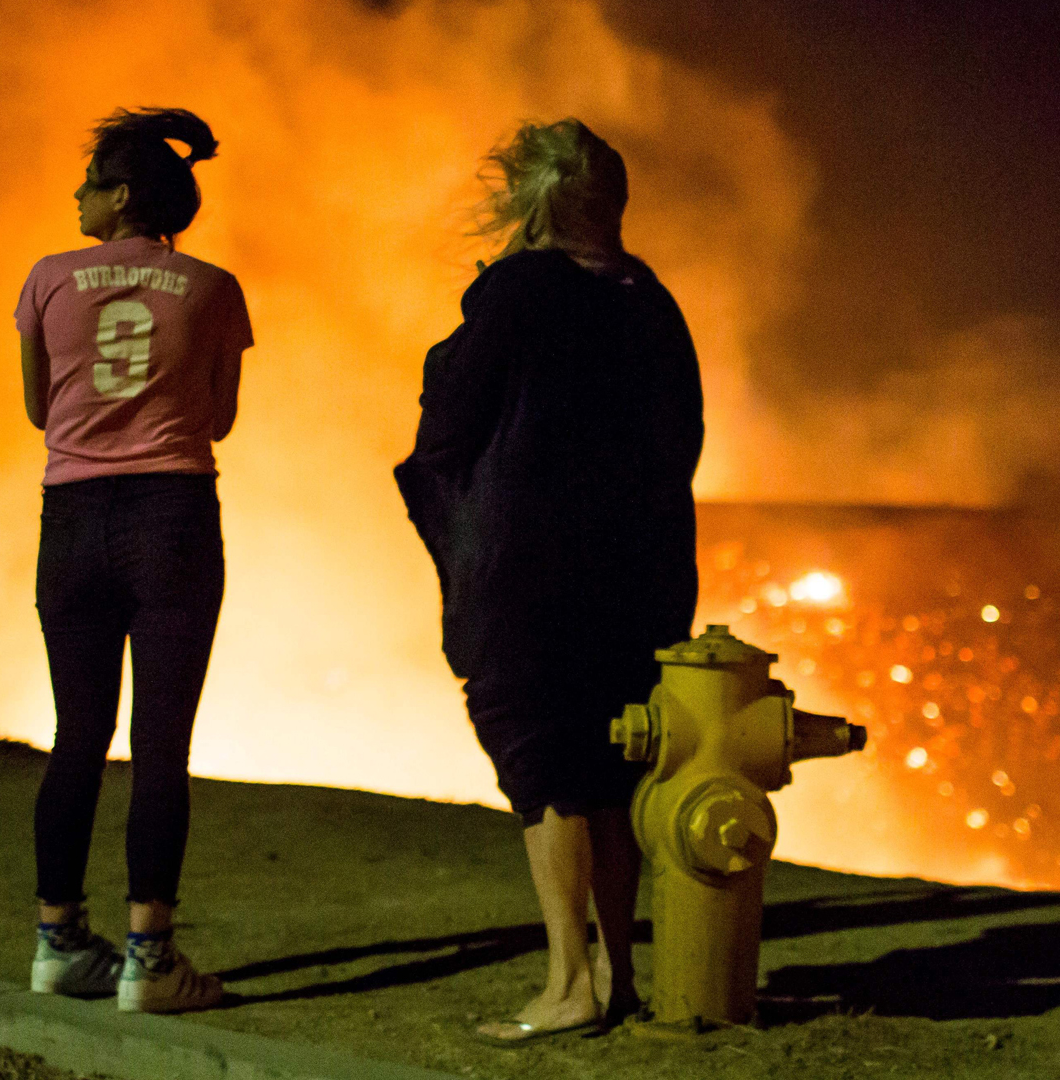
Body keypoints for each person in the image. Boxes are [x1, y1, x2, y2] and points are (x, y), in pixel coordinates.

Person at [396, 119, 703, 1043]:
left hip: (526, 576)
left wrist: (459, 543)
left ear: (528, 203)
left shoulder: (519, 291)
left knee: (548, 773)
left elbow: (445, 429)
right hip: (642, 570)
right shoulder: (653, 300)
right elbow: (682, 439)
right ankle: (615, 973)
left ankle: (570, 983)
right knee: (611, 766)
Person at [15, 107, 253, 1014]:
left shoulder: (45, 278)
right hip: (173, 517)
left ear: (121, 194)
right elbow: (221, 415)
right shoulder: (213, 285)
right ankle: (151, 961)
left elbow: (40, 409)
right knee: (161, 745)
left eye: (87, 184)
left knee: (77, 736)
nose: (75, 197)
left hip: (70, 520)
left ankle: (58, 943)